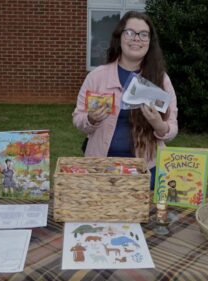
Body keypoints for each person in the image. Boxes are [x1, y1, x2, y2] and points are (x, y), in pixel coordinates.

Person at [72, 11, 178, 190]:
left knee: (143, 217)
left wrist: (158, 124)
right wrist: (91, 119)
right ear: (119, 37)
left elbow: (172, 127)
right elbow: (78, 119)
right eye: (130, 32)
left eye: (143, 34)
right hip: (101, 168)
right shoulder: (96, 77)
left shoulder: (161, 80)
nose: (136, 39)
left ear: (150, 42)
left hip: (146, 171)